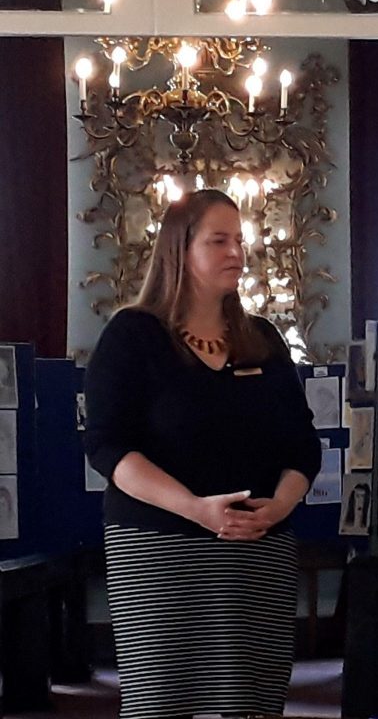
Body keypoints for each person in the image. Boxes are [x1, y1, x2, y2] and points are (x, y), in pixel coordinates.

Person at [84, 189, 322, 719]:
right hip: (158, 551)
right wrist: (196, 509)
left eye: (240, 240)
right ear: (180, 249)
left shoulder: (263, 339)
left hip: (257, 549)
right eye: (219, 241)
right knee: (162, 704)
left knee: (253, 703)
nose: (236, 252)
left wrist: (280, 506)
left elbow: (302, 445)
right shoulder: (132, 336)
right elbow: (108, 446)